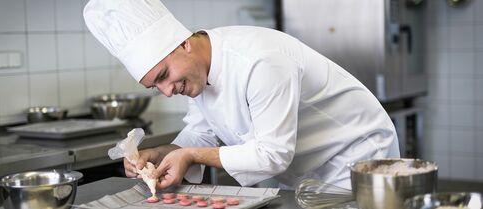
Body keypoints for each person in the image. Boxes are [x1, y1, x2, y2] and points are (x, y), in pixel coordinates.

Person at [83, 0, 400, 190]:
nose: (167, 91)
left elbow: (273, 153)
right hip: (305, 174)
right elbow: (202, 133)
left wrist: (190, 156)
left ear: (184, 44)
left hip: (357, 161)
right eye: (155, 86)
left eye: (164, 76)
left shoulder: (260, 61)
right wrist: (165, 154)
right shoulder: (197, 71)